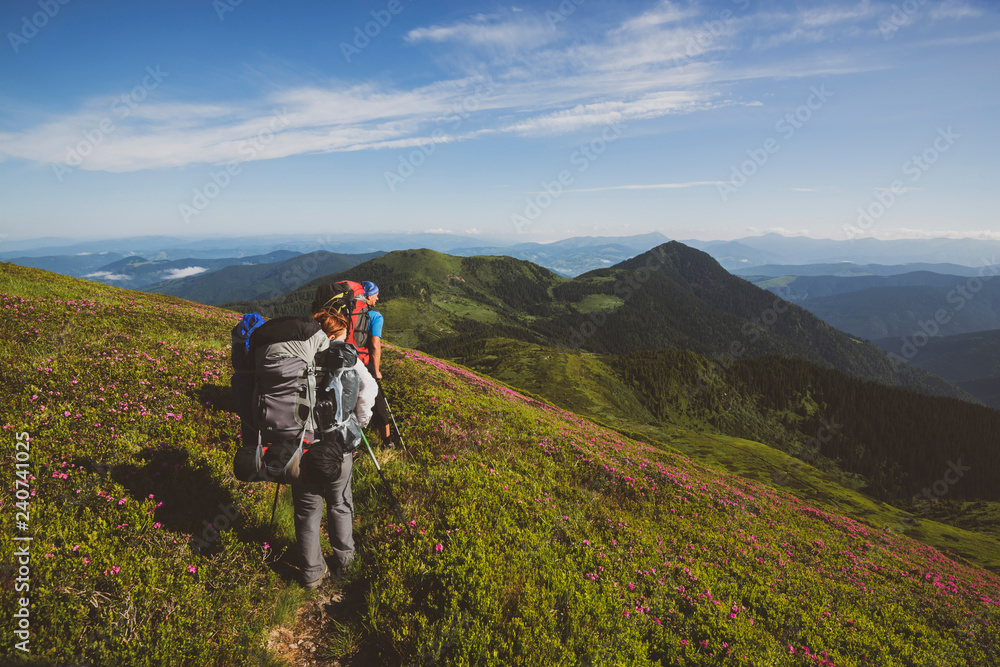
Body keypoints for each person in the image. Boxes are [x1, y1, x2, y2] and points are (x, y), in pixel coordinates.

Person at [292, 310, 377, 588]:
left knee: (307, 510)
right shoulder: (346, 358)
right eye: (341, 335)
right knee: (340, 504)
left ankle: (312, 574)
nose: (345, 339)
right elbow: (368, 390)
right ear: (332, 336)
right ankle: (345, 563)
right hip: (339, 444)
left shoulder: (297, 358)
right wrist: (358, 424)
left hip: (303, 446)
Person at [359, 281, 395, 448]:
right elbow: (374, 345)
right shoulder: (375, 316)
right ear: (368, 295)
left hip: (342, 362)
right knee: (378, 403)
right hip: (364, 365)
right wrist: (377, 371)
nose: (378, 298)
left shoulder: (347, 313)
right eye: (375, 294)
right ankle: (386, 443)